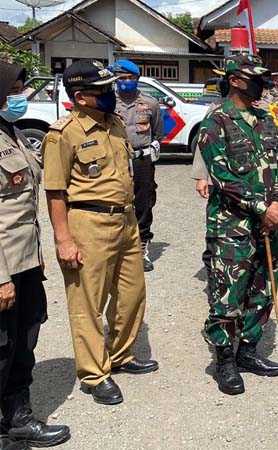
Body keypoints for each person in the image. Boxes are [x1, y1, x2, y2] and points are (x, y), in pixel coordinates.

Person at [43, 59, 158, 406]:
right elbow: (55, 192)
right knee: (87, 304)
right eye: (104, 89)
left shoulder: (116, 125)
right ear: (81, 97)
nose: (112, 92)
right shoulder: (62, 134)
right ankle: (94, 374)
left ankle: (120, 354)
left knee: (131, 294)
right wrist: (64, 240)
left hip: (125, 221)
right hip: (87, 224)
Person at [198, 54, 278, 395]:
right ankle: (224, 360)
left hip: (268, 224)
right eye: (255, 77)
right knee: (228, 293)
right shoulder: (216, 122)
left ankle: (248, 350)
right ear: (235, 80)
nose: (262, 83)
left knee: (263, 289)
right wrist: (262, 207)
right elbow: (222, 177)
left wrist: (277, 202)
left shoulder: (266, 120)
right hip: (231, 226)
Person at [0, 61, 71, 449]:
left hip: (26, 260)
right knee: (0, 348)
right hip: (3, 267)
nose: (22, 97)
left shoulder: (11, 132)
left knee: (23, 341)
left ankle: (18, 419)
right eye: (16, 89)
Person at [112, 59, 163, 272]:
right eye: (121, 78)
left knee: (143, 202)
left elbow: (158, 132)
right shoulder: (108, 103)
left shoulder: (150, 103)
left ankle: (141, 250)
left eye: (130, 78)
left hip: (142, 160)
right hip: (116, 159)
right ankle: (117, 250)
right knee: (115, 201)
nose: (126, 82)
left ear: (137, 79)